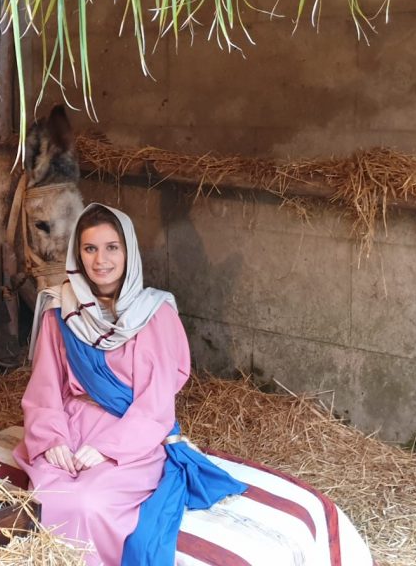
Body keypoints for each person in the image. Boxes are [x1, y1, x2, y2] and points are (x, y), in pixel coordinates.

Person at [15, 204, 246, 565]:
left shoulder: (155, 314)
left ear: (129, 252)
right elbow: (44, 386)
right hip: (71, 426)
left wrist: (109, 448)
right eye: (90, 249)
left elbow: (155, 405)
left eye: (112, 247)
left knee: (90, 502)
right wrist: (51, 438)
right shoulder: (60, 311)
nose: (100, 260)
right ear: (78, 254)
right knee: (47, 495)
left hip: (133, 435)